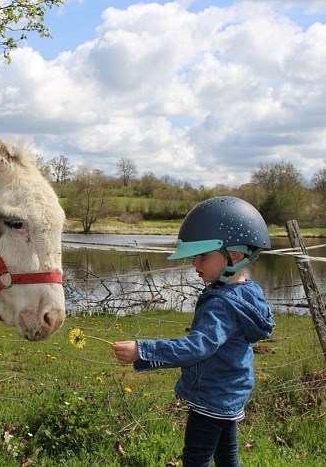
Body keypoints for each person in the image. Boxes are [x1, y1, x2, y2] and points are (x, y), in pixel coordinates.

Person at [112, 196, 275, 467]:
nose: (194, 262)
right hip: (231, 392)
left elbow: (197, 348)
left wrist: (142, 351)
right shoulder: (248, 293)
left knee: (196, 460)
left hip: (211, 397)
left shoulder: (222, 304)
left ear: (233, 256)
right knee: (227, 457)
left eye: (202, 255)